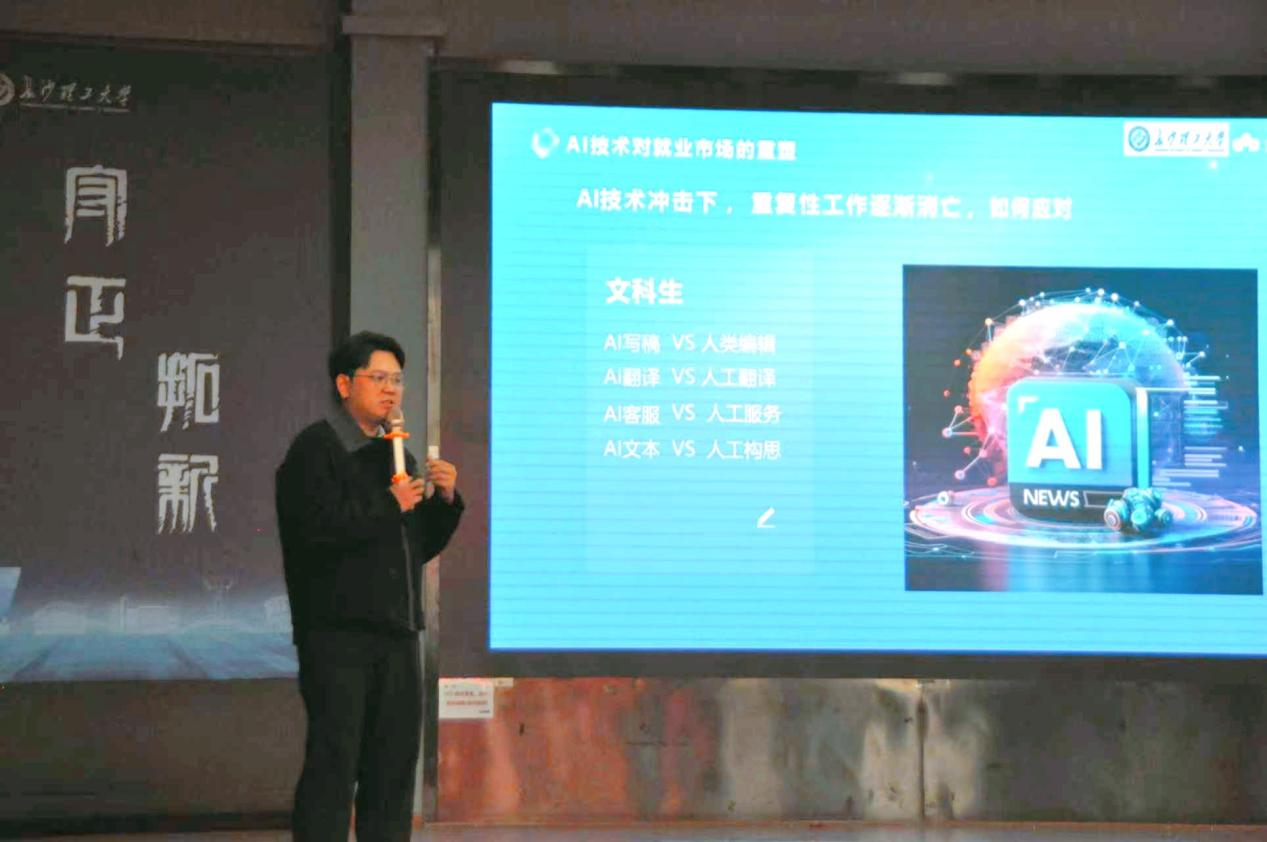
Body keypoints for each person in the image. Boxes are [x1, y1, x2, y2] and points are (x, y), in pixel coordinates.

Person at [275, 331, 463, 842]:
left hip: (398, 634)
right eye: (378, 378)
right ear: (344, 384)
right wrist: (389, 505)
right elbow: (313, 535)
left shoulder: (396, 454)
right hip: (338, 636)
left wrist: (444, 502)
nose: (390, 390)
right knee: (334, 765)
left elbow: (411, 548)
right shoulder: (316, 449)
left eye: (397, 380)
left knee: (392, 767)